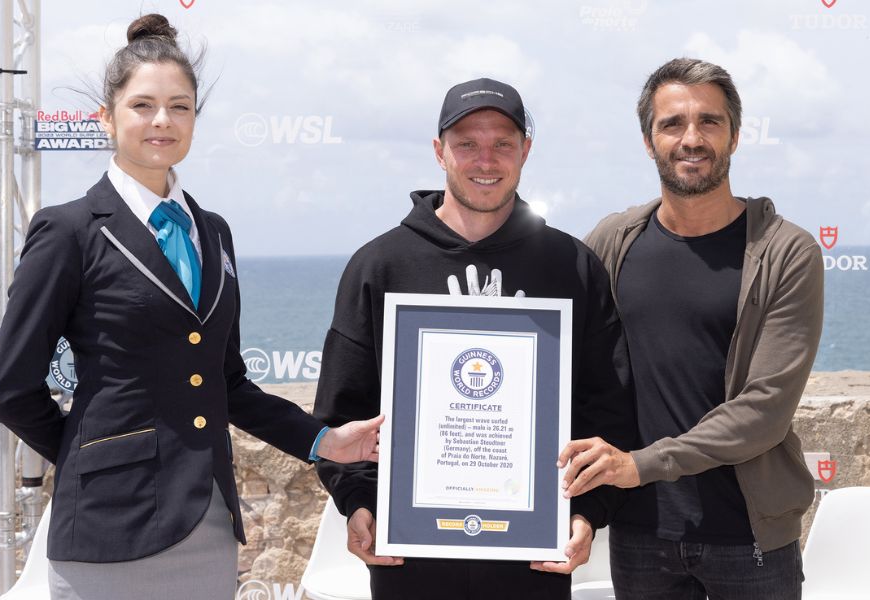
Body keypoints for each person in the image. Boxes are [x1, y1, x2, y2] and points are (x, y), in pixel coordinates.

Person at [0, 14, 381, 600]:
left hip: (208, 522)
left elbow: (227, 382)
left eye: (180, 106)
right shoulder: (68, 231)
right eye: (142, 105)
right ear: (106, 116)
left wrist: (324, 442)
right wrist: (94, 457)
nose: (162, 121)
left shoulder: (213, 233)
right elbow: (10, 388)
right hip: (107, 524)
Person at [313, 77, 636, 600]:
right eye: (467, 144)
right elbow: (340, 414)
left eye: (502, 144)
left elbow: (610, 410)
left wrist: (585, 514)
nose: (485, 160)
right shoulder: (379, 265)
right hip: (410, 558)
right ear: (439, 151)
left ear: (525, 152)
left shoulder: (571, 266)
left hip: (534, 557)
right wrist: (361, 505)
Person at [559, 57, 824, 599]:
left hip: (749, 538)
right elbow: (562, 360)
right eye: (672, 123)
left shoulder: (785, 252)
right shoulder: (612, 241)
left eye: (709, 121)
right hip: (639, 532)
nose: (691, 138)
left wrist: (641, 464)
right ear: (648, 139)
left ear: (734, 136)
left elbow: (765, 408)